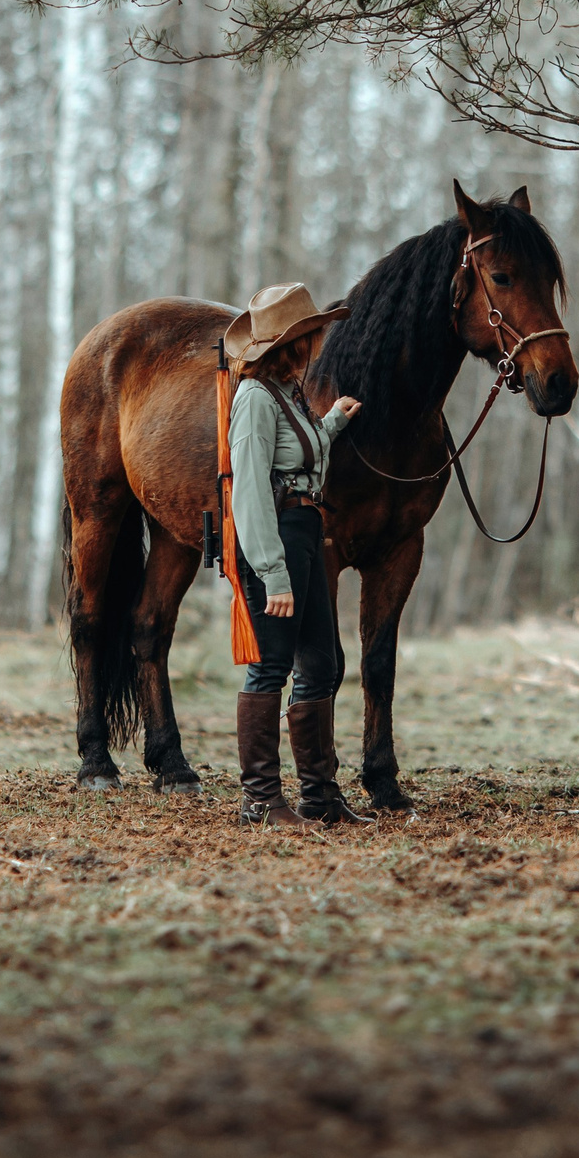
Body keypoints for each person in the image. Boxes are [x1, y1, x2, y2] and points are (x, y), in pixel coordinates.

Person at [224, 283, 367, 827]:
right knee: (270, 667)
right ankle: (261, 801)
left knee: (321, 664)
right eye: (311, 334)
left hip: (305, 532)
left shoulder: (288, 393)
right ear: (291, 343)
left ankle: (319, 797)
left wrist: (332, 423)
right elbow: (251, 490)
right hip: (277, 539)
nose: (318, 343)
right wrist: (273, 573)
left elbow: (298, 456)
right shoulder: (255, 398)